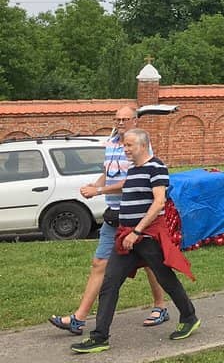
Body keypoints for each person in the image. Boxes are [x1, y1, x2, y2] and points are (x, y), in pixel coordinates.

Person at [71, 128, 200, 354]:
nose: (125, 149)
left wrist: (137, 232)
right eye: (124, 145)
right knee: (110, 283)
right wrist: (98, 190)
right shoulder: (134, 169)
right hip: (127, 238)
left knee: (166, 279)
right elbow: (123, 186)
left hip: (147, 237)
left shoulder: (156, 167)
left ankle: (189, 317)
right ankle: (100, 337)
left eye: (129, 145)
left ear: (142, 145)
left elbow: (159, 202)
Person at [49, 106, 168, 336]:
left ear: (135, 121)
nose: (120, 122)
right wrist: (95, 185)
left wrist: (100, 190)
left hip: (135, 213)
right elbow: (108, 171)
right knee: (99, 264)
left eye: (125, 119)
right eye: (117, 119)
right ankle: (79, 318)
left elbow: (131, 180)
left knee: (151, 264)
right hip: (115, 213)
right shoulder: (112, 143)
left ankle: (162, 306)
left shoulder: (140, 146)